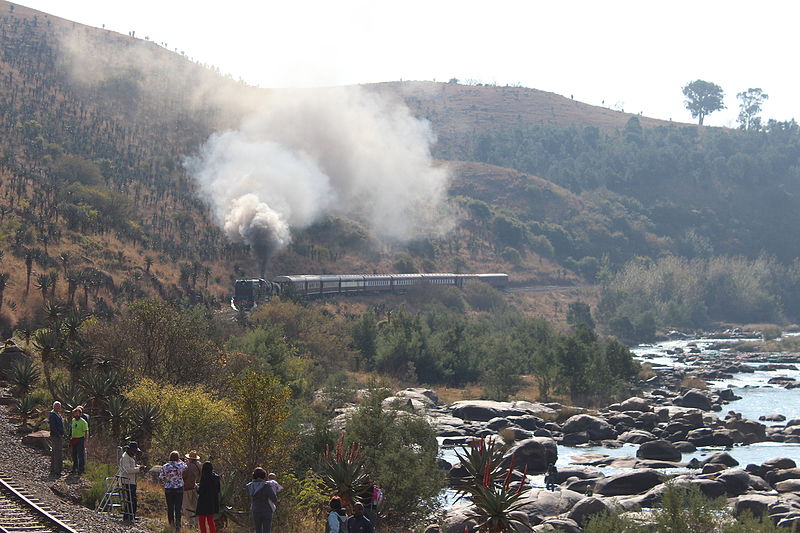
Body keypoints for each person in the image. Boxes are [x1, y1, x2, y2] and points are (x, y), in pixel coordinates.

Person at [159, 450, 187, 530]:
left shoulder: (165, 466)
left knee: (170, 507)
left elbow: (161, 477)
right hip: (179, 488)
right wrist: (180, 460)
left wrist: (167, 481)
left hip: (169, 488)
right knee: (178, 507)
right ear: (177, 458)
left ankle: (171, 524)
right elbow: (186, 467)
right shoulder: (181, 465)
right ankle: (178, 525)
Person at [119, 442, 144, 524]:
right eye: (133, 450)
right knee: (131, 499)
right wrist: (138, 469)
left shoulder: (130, 457)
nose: (135, 452)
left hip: (131, 481)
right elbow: (127, 470)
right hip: (127, 481)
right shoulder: (125, 457)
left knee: (132, 499)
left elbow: (132, 467)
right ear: (129, 449)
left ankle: (131, 515)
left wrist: (138, 467)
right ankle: (128, 516)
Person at [246, 467, 276, 533]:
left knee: (258, 530)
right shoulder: (266, 486)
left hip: (255, 510)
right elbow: (274, 498)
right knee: (266, 530)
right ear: (263, 476)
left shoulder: (250, 486)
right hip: (267, 510)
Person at [196, 461, 221, 533]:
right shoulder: (216, 477)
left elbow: (201, 491)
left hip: (203, 502)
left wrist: (197, 487)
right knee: (210, 521)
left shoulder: (204, 477)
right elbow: (218, 490)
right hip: (212, 501)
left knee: (202, 521)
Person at [182, 450, 202, 527]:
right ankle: (196, 522)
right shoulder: (199, 465)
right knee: (195, 506)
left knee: (186, 506)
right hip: (194, 487)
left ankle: (191, 522)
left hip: (186, 488)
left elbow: (183, 476)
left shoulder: (187, 466)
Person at [69, 407, 88, 474]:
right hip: (74, 439)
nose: (77, 415)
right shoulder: (73, 420)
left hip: (80, 439)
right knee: (74, 454)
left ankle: (81, 469)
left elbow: (86, 432)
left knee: (80, 455)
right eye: (75, 413)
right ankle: (74, 468)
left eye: (78, 413)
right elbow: (72, 429)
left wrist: (85, 441)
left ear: (80, 414)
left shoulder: (83, 422)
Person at [48, 401, 64, 476]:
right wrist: (58, 434)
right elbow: (53, 426)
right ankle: (57, 470)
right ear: (53, 406)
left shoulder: (57, 415)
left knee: (56, 452)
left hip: (58, 435)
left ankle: (55, 469)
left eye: (59, 406)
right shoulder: (53, 415)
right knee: (57, 452)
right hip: (56, 436)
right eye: (57, 406)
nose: (58, 407)